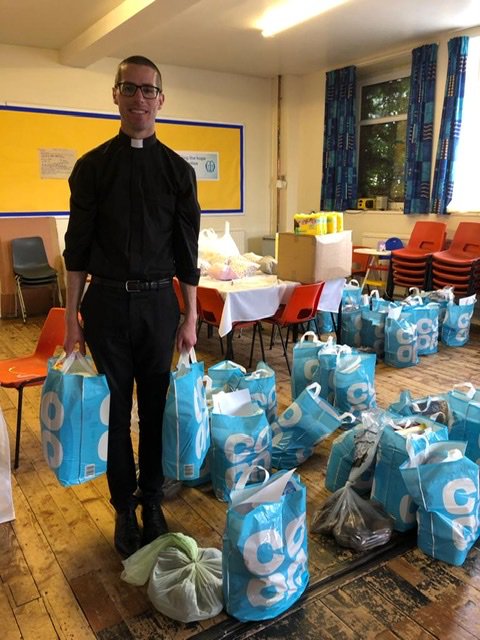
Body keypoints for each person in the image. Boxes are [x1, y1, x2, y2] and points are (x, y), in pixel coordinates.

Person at [63, 55, 201, 558]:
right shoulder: (92, 167)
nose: (139, 98)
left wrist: (189, 316)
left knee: (157, 408)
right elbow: (76, 252)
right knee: (117, 411)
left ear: (161, 100)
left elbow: (188, 254)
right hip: (104, 305)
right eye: (130, 88)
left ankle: (154, 501)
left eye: (148, 90)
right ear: (115, 95)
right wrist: (71, 322)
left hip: (157, 308)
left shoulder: (178, 173)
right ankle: (124, 507)